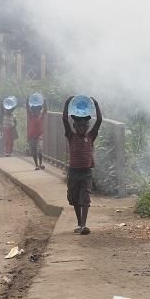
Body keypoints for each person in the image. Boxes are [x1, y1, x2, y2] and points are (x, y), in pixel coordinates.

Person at [62, 95, 102, 235]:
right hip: (73, 172)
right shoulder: (71, 136)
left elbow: (99, 121)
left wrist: (96, 105)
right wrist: (67, 103)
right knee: (74, 198)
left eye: (84, 125)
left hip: (86, 173)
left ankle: (84, 225)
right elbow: (64, 120)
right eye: (78, 125)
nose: (81, 128)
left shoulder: (90, 136)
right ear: (74, 126)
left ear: (88, 126)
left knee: (85, 198)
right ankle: (79, 223)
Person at [26, 95, 47, 170]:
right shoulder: (31, 116)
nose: (36, 111)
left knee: (40, 150)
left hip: (39, 136)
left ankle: (40, 163)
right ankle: (36, 165)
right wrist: (27, 101)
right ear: (33, 110)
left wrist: (44, 102)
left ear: (39, 110)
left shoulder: (41, 117)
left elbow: (45, 110)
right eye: (34, 110)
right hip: (32, 137)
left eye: (37, 110)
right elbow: (27, 109)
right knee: (34, 152)